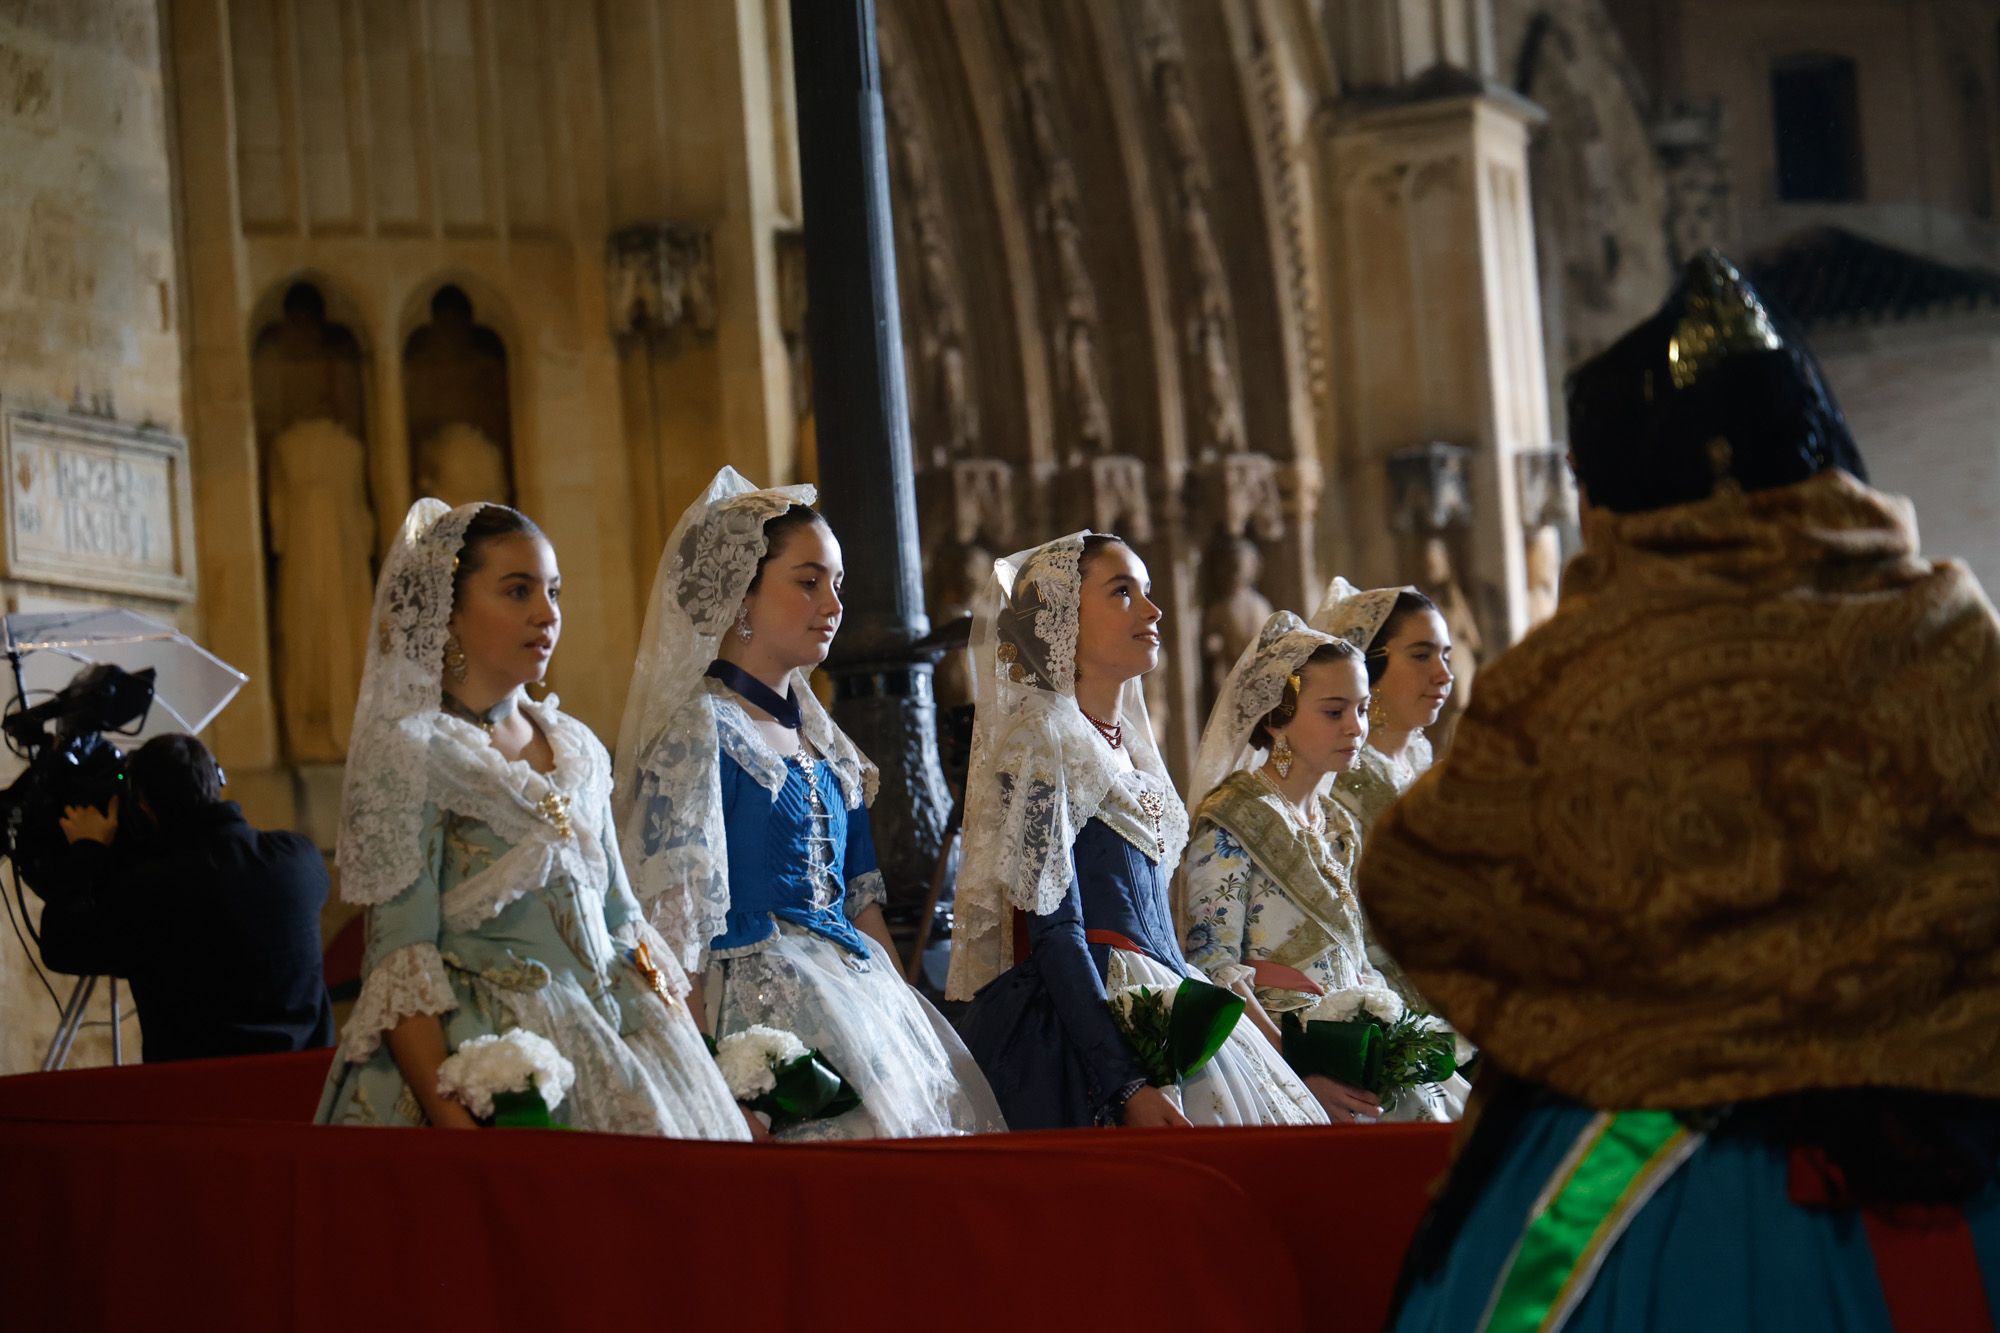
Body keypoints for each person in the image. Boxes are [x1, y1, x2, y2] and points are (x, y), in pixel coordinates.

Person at [1368, 251, 2000, 1330]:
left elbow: (1420, 890)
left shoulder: (1580, 670)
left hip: (1642, 1196)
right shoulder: (1943, 625)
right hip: (1940, 1170)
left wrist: (1616, 1014)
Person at [317, 500, 747, 1137]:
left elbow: (622, 920)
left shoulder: (576, 745)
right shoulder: (414, 752)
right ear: (450, 612)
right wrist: (454, 1122)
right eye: (518, 592)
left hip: (619, 1026)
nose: (546, 614)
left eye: (553, 592)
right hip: (491, 1050)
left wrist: (689, 1054)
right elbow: (399, 959)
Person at [614, 467, 1000, 1140]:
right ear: (741, 594)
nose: (834, 602)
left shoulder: (827, 747)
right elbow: (675, 931)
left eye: (838, 583)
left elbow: (863, 906)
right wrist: (712, 1078)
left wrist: (904, 1023)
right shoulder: (701, 735)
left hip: (859, 998)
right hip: (755, 1017)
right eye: (808, 579)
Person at [948, 532, 1325, 1129]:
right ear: (1064, 617)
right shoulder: (1043, 739)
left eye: (1147, 592)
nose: (1152, 611)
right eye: (1122, 593)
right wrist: (1125, 1081)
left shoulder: (1130, 753)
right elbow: (1054, 932)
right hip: (1092, 1010)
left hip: (1167, 990)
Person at [1180, 611, 1434, 1123]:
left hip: (1352, 1049)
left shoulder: (1338, 823)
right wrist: (1296, 1070)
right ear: (1277, 719)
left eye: (1362, 709)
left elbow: (1356, 955)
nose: (1356, 728)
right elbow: (1212, 966)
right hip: (1277, 1056)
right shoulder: (1232, 817)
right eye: (1334, 711)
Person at [35, 733, 334, 1063]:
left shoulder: (149, 892)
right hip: (306, 1087)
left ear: (144, 805)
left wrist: (88, 850)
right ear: (217, 778)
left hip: (199, 1098)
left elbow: (61, 945)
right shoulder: (298, 858)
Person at [1310, 580, 1454, 840]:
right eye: (1422, 656)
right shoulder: (1343, 773)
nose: (1444, 675)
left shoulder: (1418, 752)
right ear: (1369, 666)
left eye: (1446, 657)